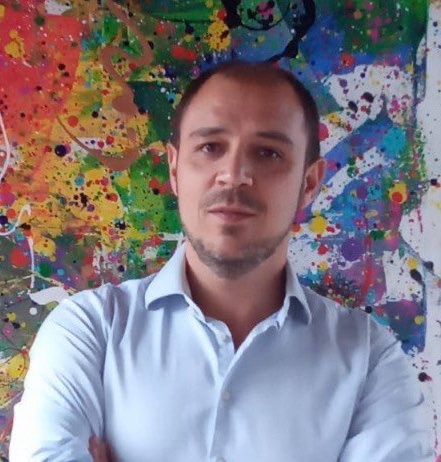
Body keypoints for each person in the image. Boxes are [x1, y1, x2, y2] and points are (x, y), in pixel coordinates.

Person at [9, 61, 433, 462]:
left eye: (267, 153)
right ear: (174, 169)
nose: (234, 174)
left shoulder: (369, 359)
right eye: (210, 147)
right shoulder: (89, 331)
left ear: (309, 183)